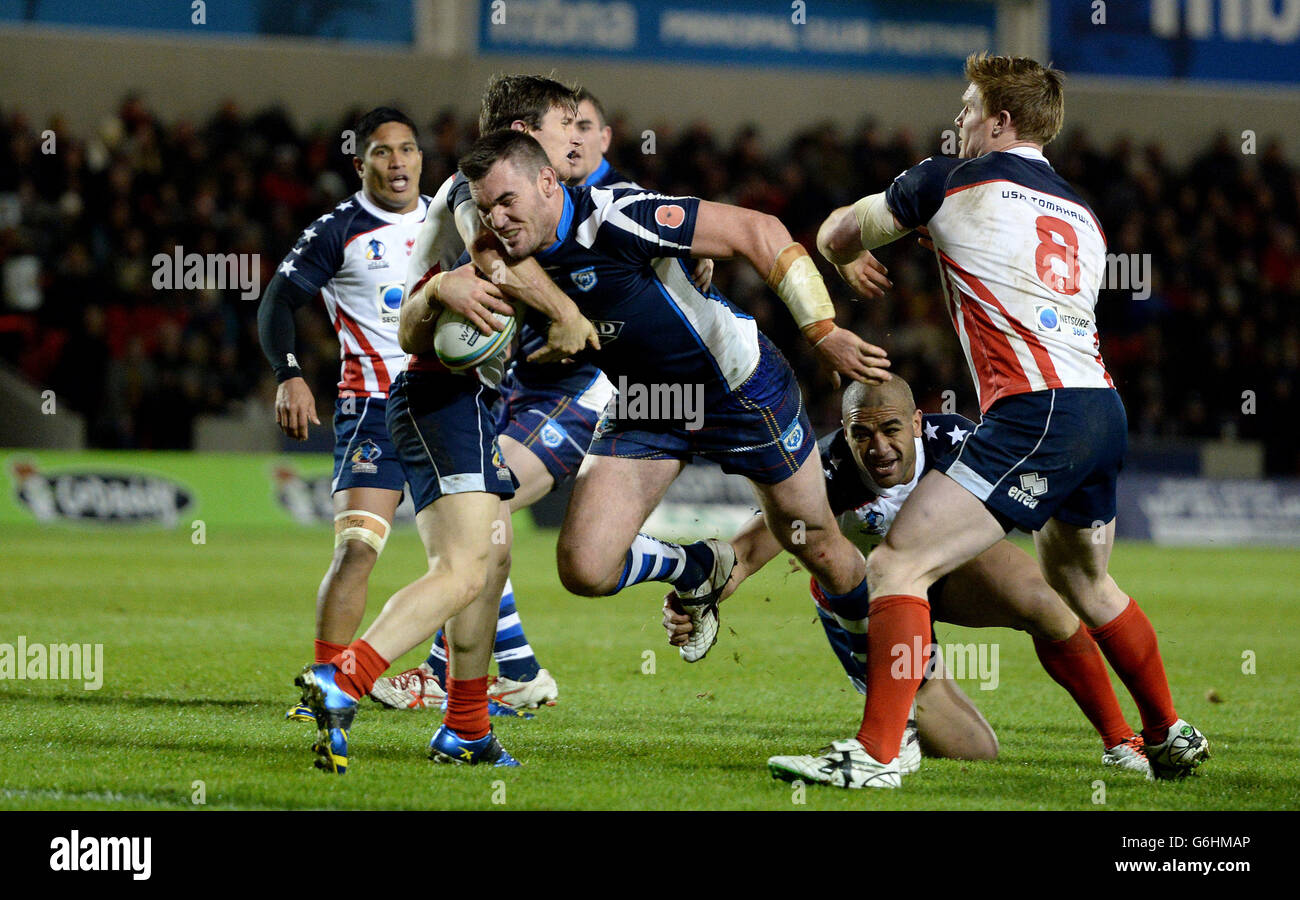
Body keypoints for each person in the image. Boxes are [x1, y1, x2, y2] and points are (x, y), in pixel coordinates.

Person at [783, 52, 1208, 787]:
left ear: (1000, 121)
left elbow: (836, 234)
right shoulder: (1083, 214)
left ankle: (879, 754)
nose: (958, 120)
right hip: (1103, 409)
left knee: (896, 563)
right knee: (1084, 581)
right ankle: (1167, 732)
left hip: (1036, 410)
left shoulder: (948, 178)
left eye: (968, 108)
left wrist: (844, 260)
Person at [458, 129, 894, 677]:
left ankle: (881, 680)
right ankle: (697, 566)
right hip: (648, 402)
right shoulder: (503, 252)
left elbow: (758, 230)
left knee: (819, 545)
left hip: (740, 390)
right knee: (585, 567)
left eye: (506, 202)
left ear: (548, 182)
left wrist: (823, 330)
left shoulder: (617, 217)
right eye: (484, 209)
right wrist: (433, 295)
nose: (495, 220)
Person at [378, 79, 715, 709]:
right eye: (568, 125)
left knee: (485, 515)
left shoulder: (579, 190)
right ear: (527, 135)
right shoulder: (474, 195)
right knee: (486, 527)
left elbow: (657, 218)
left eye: (584, 126)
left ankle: (473, 674)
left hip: (580, 388)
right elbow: (494, 257)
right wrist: (560, 310)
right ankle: (681, 571)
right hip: (517, 388)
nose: (579, 136)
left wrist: (689, 254)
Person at [292, 124, 598, 773]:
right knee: (460, 571)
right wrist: (566, 312)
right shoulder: (472, 201)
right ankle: (343, 678)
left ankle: (465, 728)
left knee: (487, 567)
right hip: (440, 401)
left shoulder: (507, 207)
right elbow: (483, 267)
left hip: (472, 405)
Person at [664, 376, 1152, 781]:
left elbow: (1030, 496)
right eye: (862, 435)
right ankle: (888, 734)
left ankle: (1120, 739)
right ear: (845, 433)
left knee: (1052, 604)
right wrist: (696, 599)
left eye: (892, 430)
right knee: (975, 750)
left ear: (918, 422)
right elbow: (746, 554)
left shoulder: (959, 444)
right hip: (867, 604)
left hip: (944, 572)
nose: (878, 448)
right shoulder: (826, 473)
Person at [255, 106, 553, 720]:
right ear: (360, 162)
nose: (399, 162)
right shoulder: (337, 230)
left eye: (409, 150)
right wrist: (289, 374)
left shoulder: (453, 216)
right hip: (371, 408)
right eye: (383, 152)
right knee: (359, 550)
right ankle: (325, 686)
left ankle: (485, 694)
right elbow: (279, 300)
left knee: (477, 554)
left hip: (450, 402)